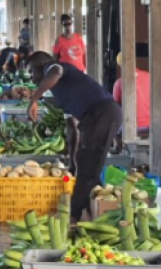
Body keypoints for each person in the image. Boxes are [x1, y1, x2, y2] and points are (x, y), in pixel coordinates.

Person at [25, 51, 121, 222]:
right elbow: (72, 127)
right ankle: (94, 212)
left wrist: (34, 98)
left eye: (32, 71)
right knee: (87, 164)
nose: (31, 78)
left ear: (41, 66)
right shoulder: (59, 91)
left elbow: (55, 72)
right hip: (93, 119)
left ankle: (74, 216)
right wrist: (71, 161)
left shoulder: (55, 68)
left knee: (89, 165)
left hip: (103, 113)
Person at [112, 52, 151, 137]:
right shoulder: (149, 77)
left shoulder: (119, 83)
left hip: (130, 126)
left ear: (120, 66)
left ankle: (121, 149)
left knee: (113, 127)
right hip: (150, 125)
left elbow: (114, 108)